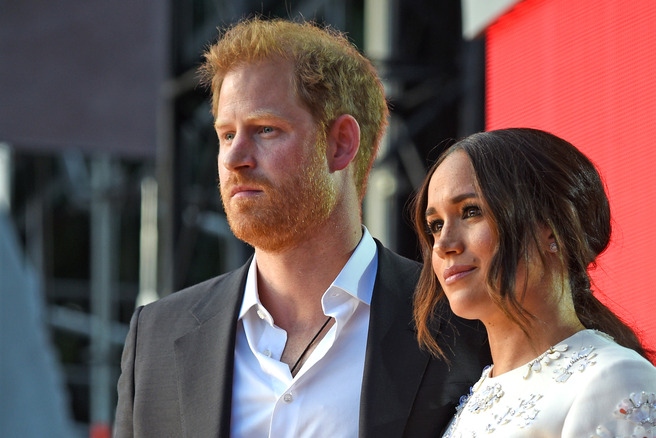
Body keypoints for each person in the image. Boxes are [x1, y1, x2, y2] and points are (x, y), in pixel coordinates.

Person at [114, 18, 490, 438]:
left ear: (340, 144)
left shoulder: (463, 324)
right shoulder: (157, 338)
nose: (234, 158)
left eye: (265, 130)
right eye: (225, 134)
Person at [412, 128, 656, 437]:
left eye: (471, 212)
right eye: (435, 226)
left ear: (554, 229)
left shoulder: (615, 380)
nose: (443, 244)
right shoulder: (470, 402)